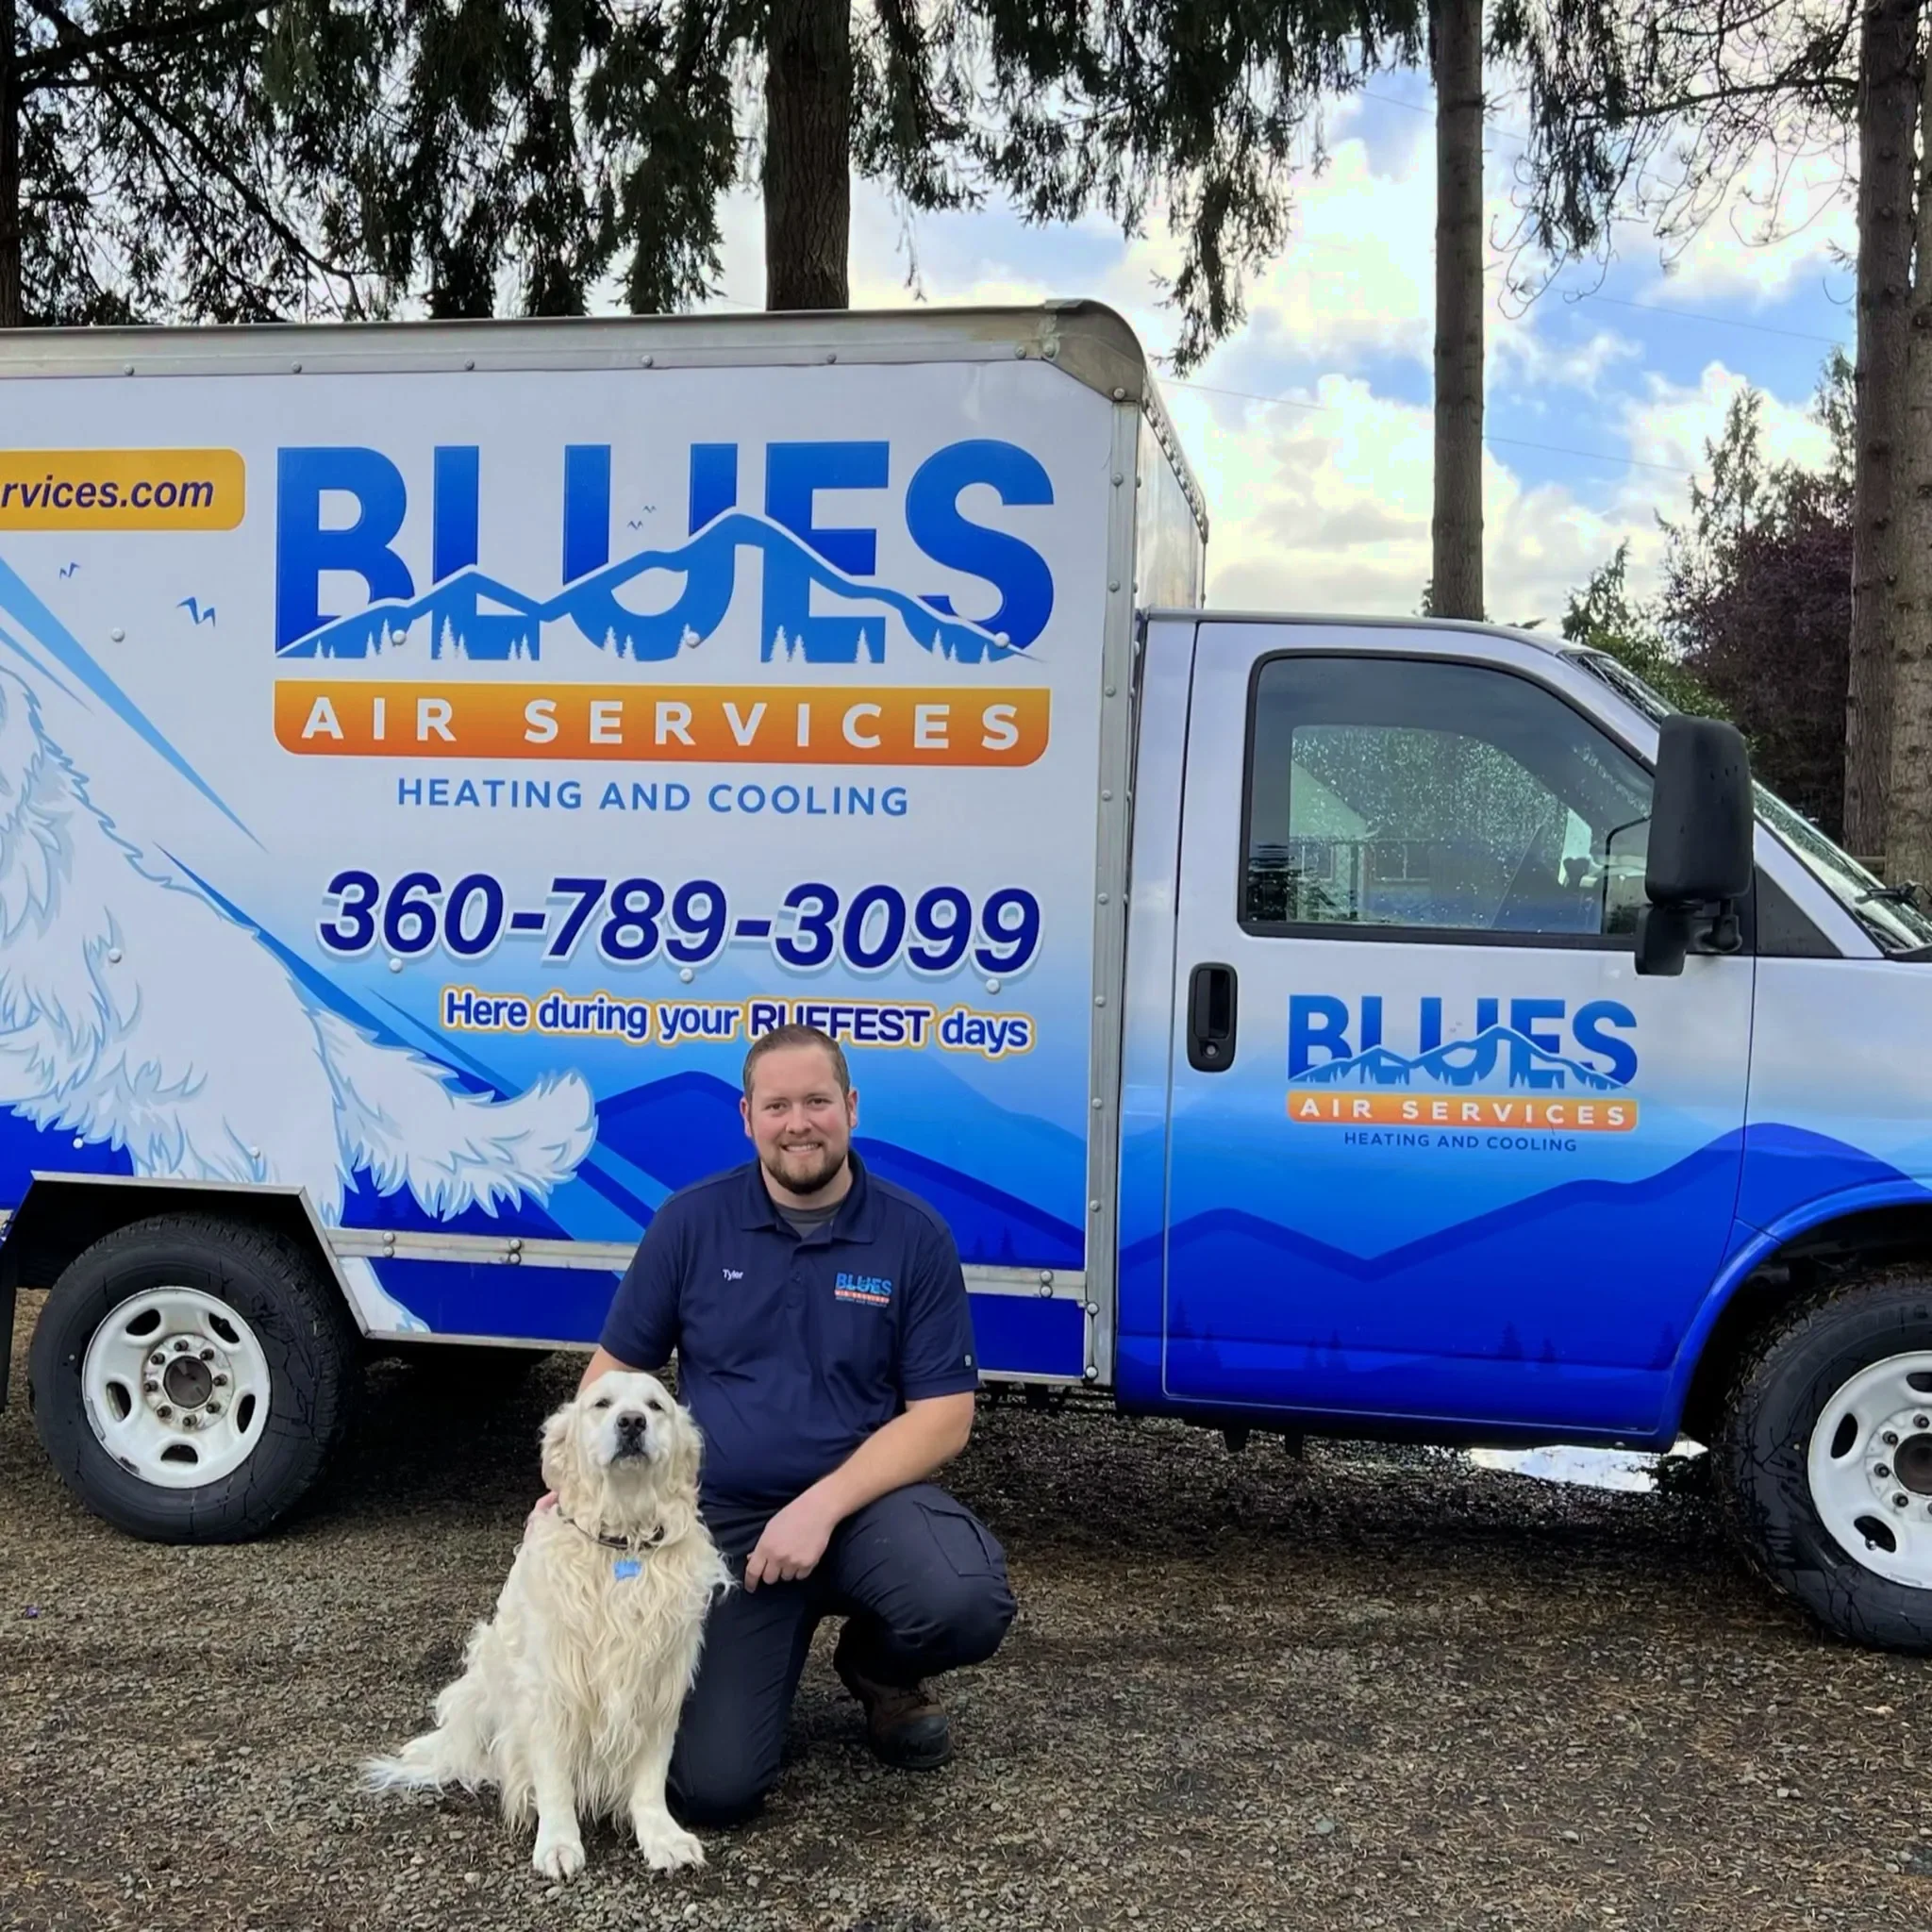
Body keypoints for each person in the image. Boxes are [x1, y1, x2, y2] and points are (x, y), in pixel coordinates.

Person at [563, 1022, 1016, 1824]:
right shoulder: (691, 1222)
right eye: (776, 1106)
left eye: (817, 1102)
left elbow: (945, 1417)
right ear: (747, 1118)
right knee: (712, 1790)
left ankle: (878, 1668)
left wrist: (820, 1507)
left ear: (852, 1107)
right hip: (730, 1529)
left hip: (867, 1509)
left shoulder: (912, 1235)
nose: (798, 1124)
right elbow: (609, 1379)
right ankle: (762, 1655)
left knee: (964, 1600)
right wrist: (572, 1486)